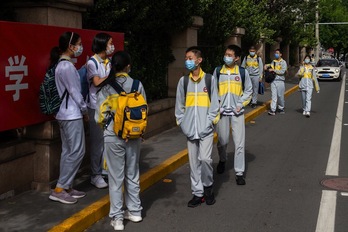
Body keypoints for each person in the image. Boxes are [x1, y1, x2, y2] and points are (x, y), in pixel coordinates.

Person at [96, 51, 145, 231]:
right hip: (134, 135)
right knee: (132, 173)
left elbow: (99, 116)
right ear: (128, 66)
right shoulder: (138, 85)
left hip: (113, 135)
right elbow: (144, 109)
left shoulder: (107, 88)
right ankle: (135, 211)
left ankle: (117, 219)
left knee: (115, 178)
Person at [175, 46, 219, 207]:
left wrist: (210, 122)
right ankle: (197, 193)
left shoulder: (209, 79)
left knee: (206, 159)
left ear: (199, 60)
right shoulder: (183, 81)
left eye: (190, 58)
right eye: (186, 58)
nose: (187, 61)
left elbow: (215, 105)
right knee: (193, 163)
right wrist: (182, 123)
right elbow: (179, 106)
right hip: (190, 130)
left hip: (206, 129)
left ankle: (208, 188)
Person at [48, 31, 89, 204]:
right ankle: (60, 188)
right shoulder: (67, 67)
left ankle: (66, 186)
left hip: (64, 114)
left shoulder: (61, 65)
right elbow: (75, 92)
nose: (80, 47)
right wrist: (85, 110)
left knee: (68, 151)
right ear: (70, 46)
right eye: (78, 44)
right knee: (78, 151)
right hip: (72, 114)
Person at [213, 44, 252, 185]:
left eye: (230, 55)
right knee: (222, 142)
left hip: (237, 113)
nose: (226, 57)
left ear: (236, 58)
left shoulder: (242, 73)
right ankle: (222, 160)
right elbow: (213, 91)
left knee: (239, 143)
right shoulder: (218, 71)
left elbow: (248, 91)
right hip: (222, 113)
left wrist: (240, 104)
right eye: (226, 54)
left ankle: (239, 172)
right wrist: (218, 106)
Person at [87, 33, 114, 189]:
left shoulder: (108, 62)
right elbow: (96, 82)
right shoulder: (92, 63)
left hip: (109, 106)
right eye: (110, 43)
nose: (112, 45)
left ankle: (105, 172)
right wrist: (113, 76)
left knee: (108, 141)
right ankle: (95, 175)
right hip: (96, 107)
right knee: (97, 143)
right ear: (103, 44)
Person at [265, 49, 288, 115]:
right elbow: (270, 65)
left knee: (280, 96)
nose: (276, 54)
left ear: (281, 54)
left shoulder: (283, 62)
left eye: (277, 53)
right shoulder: (273, 61)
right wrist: (266, 65)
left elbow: (282, 71)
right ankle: (273, 110)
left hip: (280, 81)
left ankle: (281, 108)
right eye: (275, 53)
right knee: (273, 96)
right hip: (274, 80)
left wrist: (274, 70)